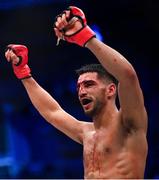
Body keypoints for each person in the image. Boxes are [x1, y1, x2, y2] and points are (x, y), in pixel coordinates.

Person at [5, 6, 148, 179]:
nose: (81, 91)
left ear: (111, 90)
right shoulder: (86, 133)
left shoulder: (129, 125)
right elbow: (52, 112)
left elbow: (128, 76)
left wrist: (87, 38)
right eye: (79, 87)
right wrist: (23, 74)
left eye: (88, 84)